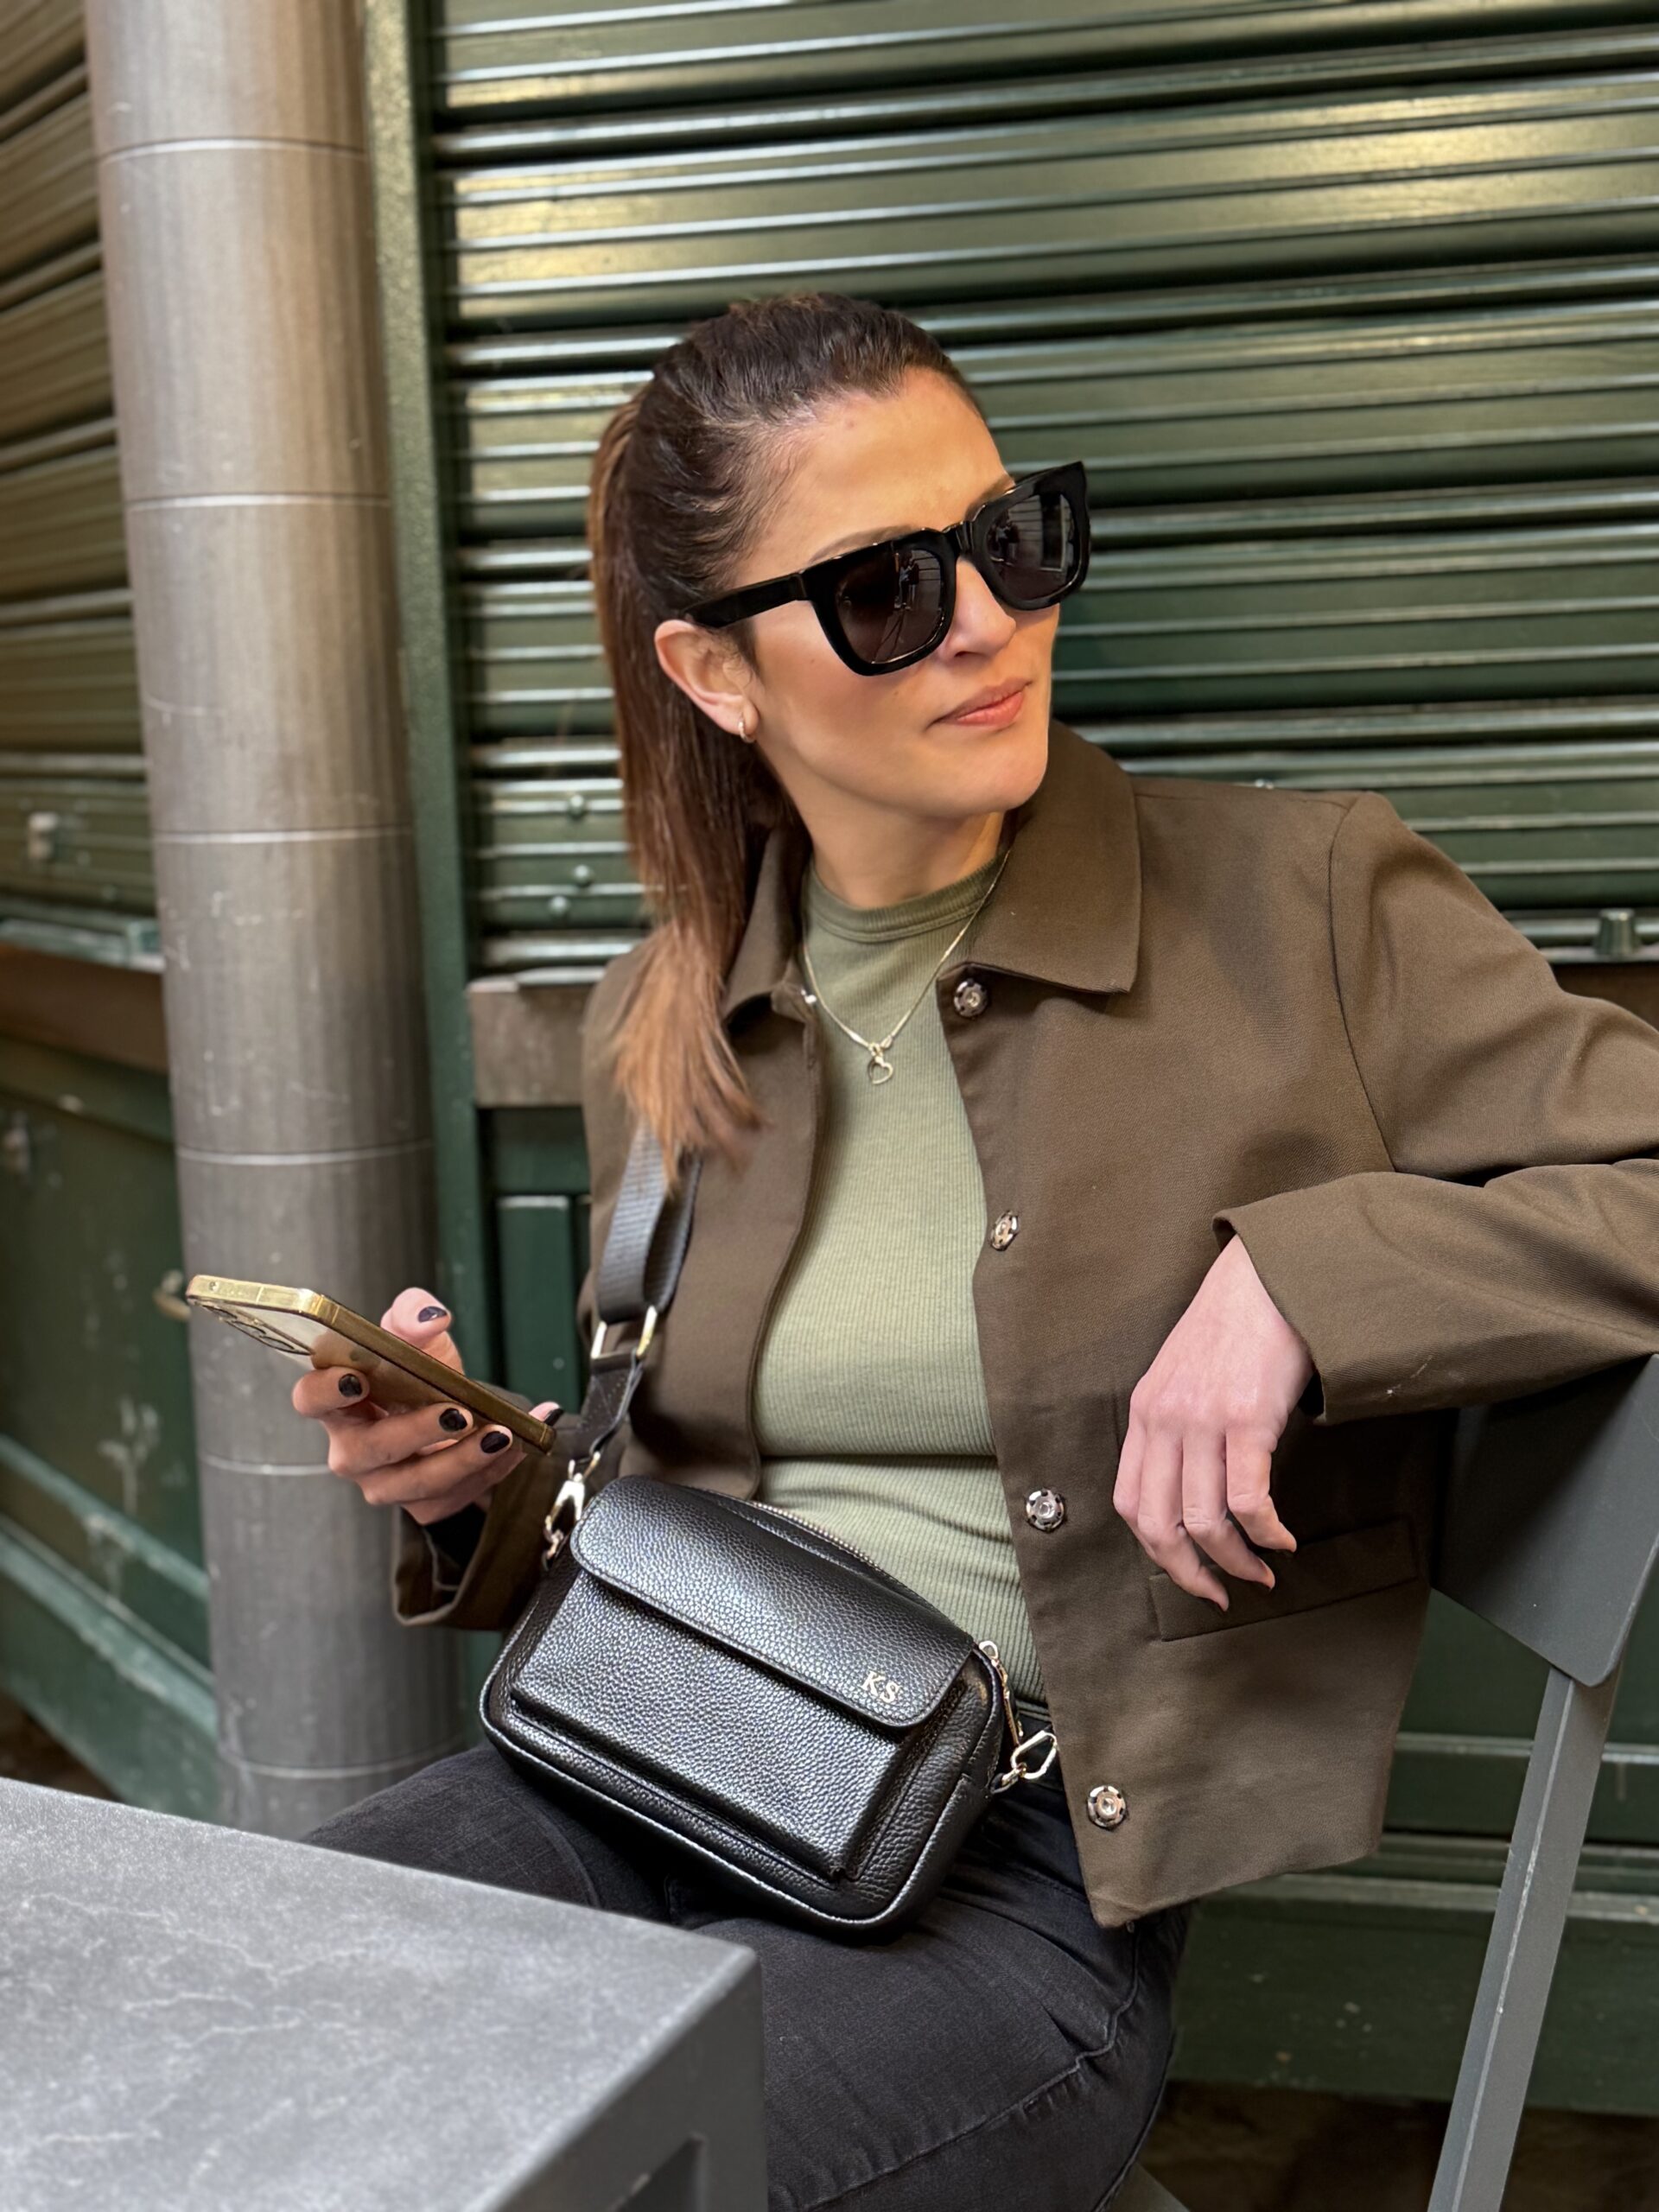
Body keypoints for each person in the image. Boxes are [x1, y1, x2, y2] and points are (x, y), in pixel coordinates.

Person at [296, 293, 1659, 2210]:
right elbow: (677, 1489)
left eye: (1012, 538)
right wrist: (480, 1481)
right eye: (885, 588)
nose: (987, 623)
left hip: (1008, 1887)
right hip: (632, 1759)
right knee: (221, 2031)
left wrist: (1308, 1278)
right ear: (715, 670)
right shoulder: (668, 1011)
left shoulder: (1309, 908)